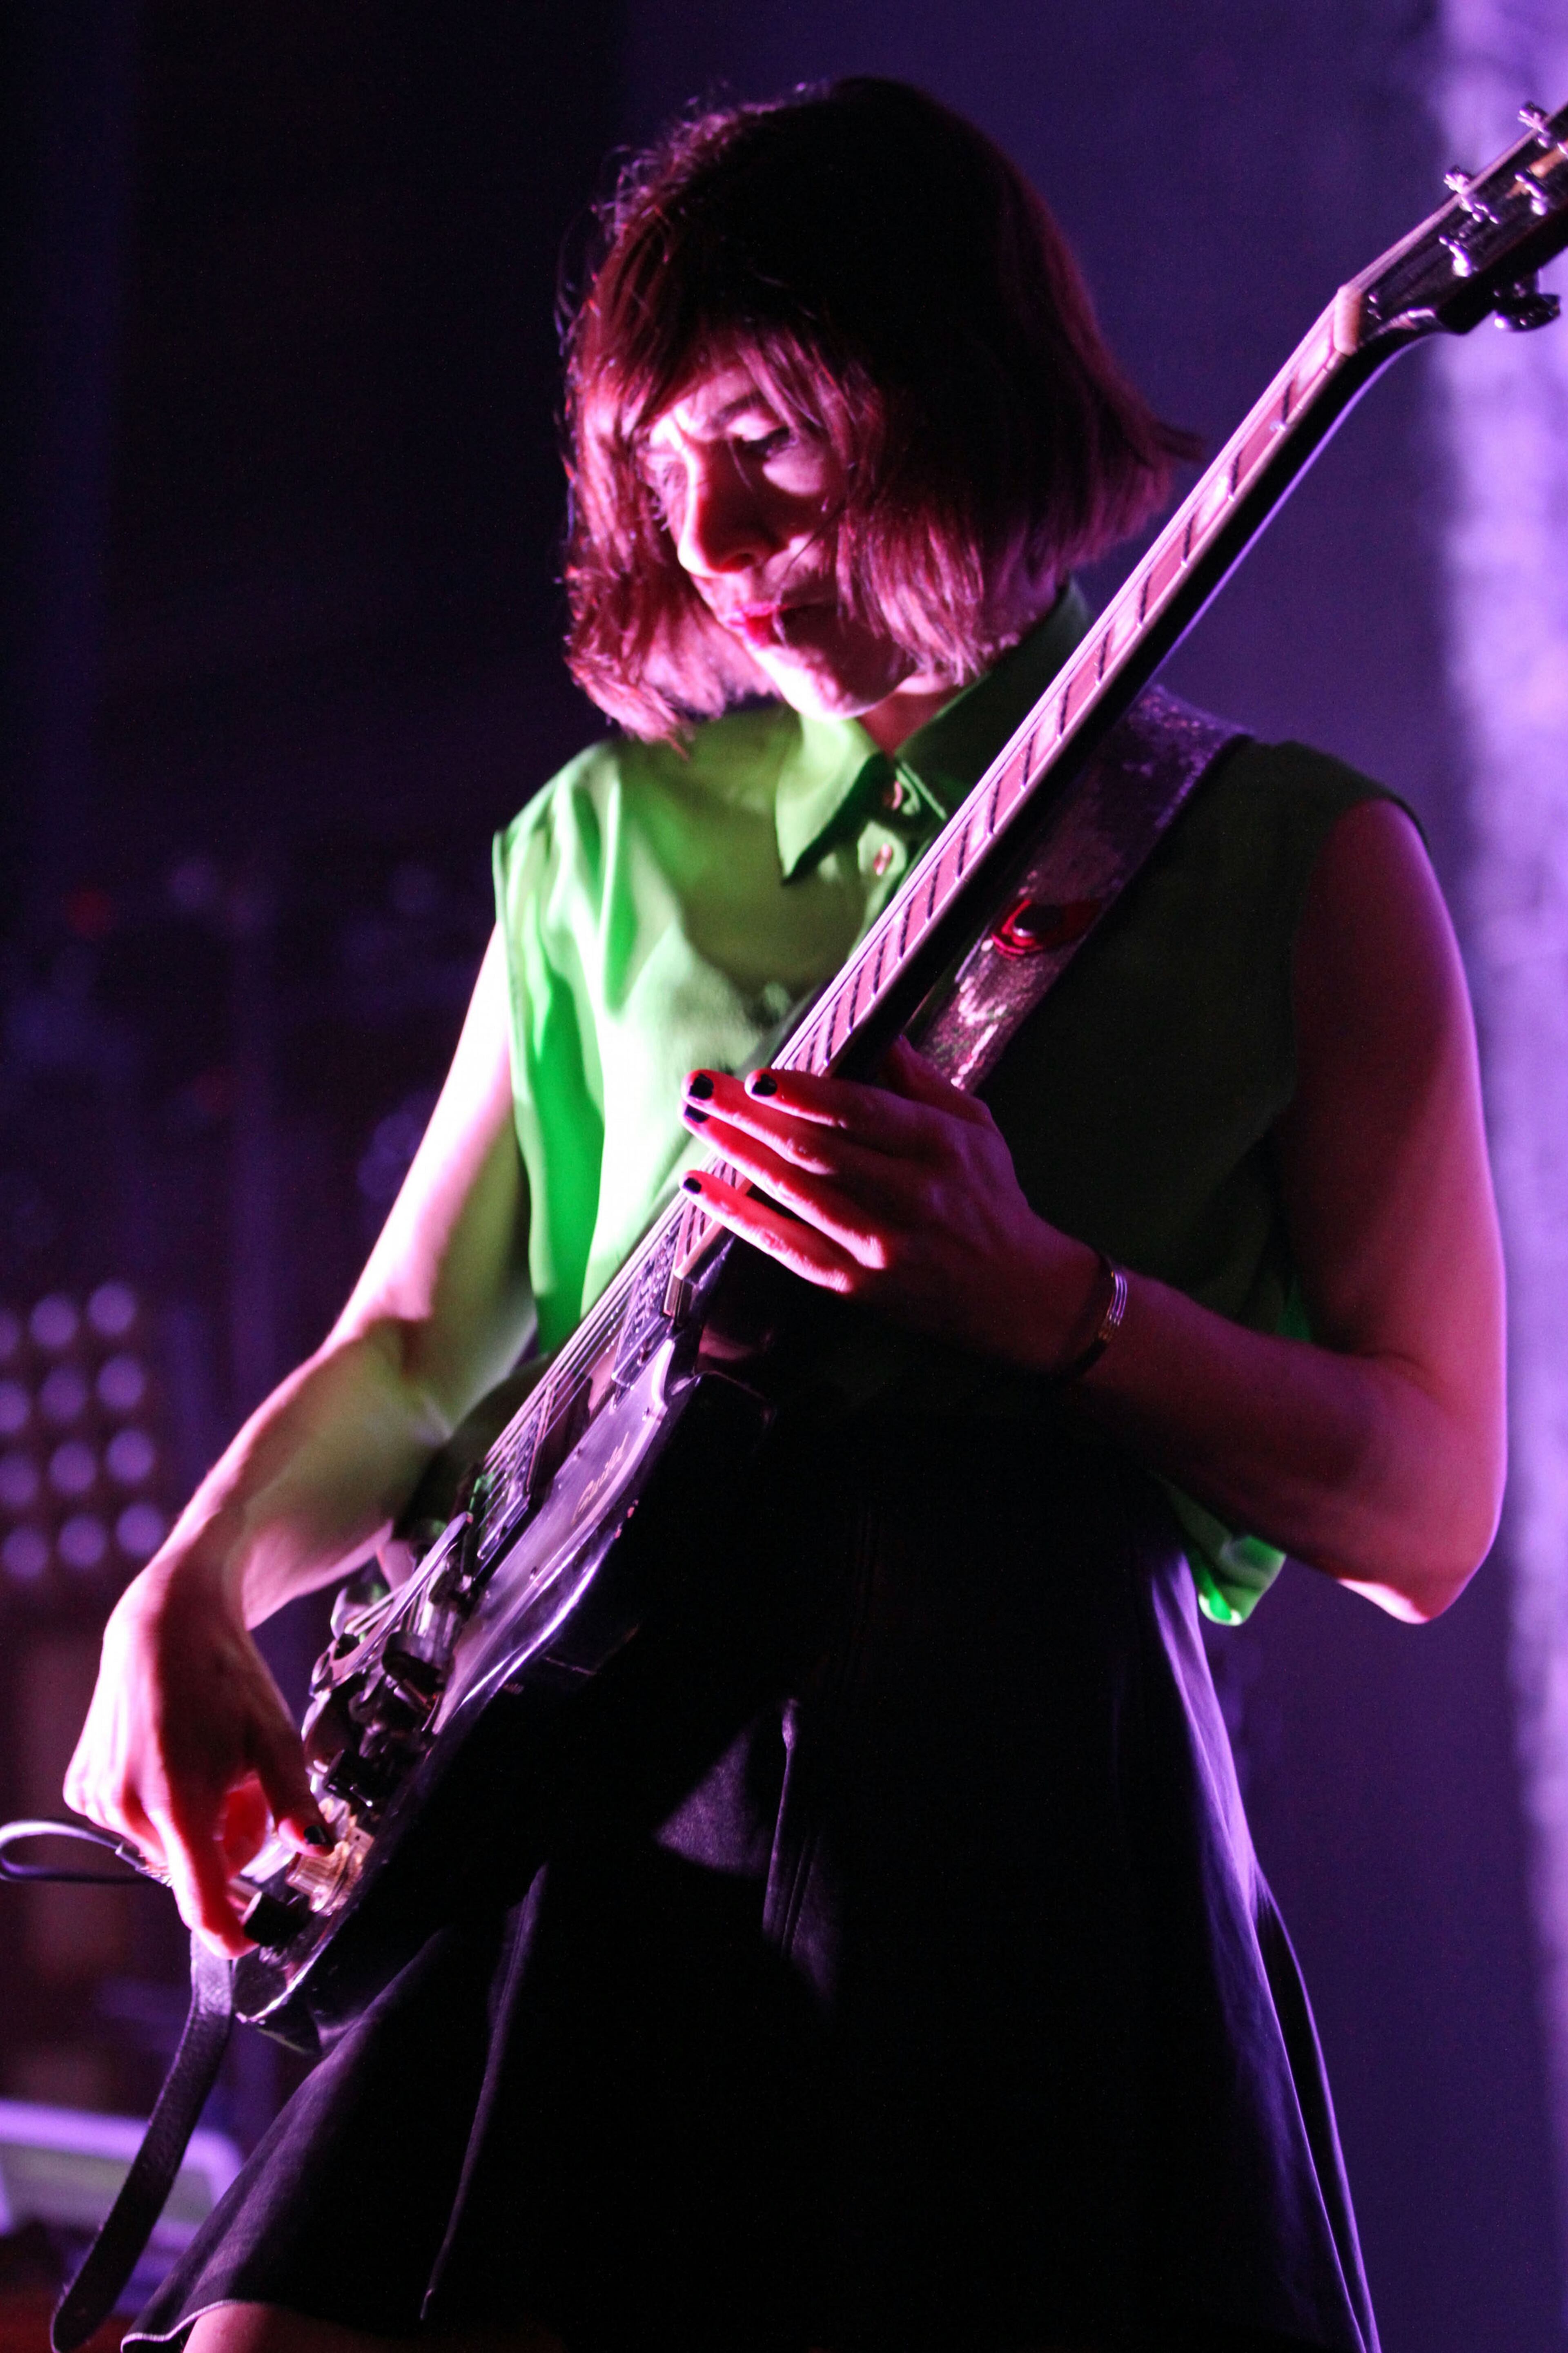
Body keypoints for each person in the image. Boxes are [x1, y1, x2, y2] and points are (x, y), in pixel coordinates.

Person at [65, 77, 1503, 2353]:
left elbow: (1428, 1509)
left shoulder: (1298, 863)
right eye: (662, 464)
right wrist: (196, 1581)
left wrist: (1057, 1306)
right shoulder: (599, 846)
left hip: (1021, 1817)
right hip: (589, 1770)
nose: (714, 532)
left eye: (773, 437)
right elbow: (420, 1350)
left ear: (952, 390)